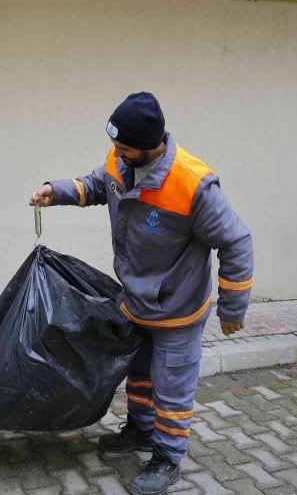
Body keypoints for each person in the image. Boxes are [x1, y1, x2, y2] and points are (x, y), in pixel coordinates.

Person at [29, 92, 253, 495]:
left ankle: (167, 458)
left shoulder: (193, 185)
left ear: (151, 146)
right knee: (139, 374)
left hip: (178, 308)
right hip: (136, 301)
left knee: (172, 387)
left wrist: (232, 308)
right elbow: (98, 184)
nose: (116, 154)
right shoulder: (121, 160)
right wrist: (55, 190)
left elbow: (236, 241)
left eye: (124, 148)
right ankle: (140, 430)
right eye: (114, 145)